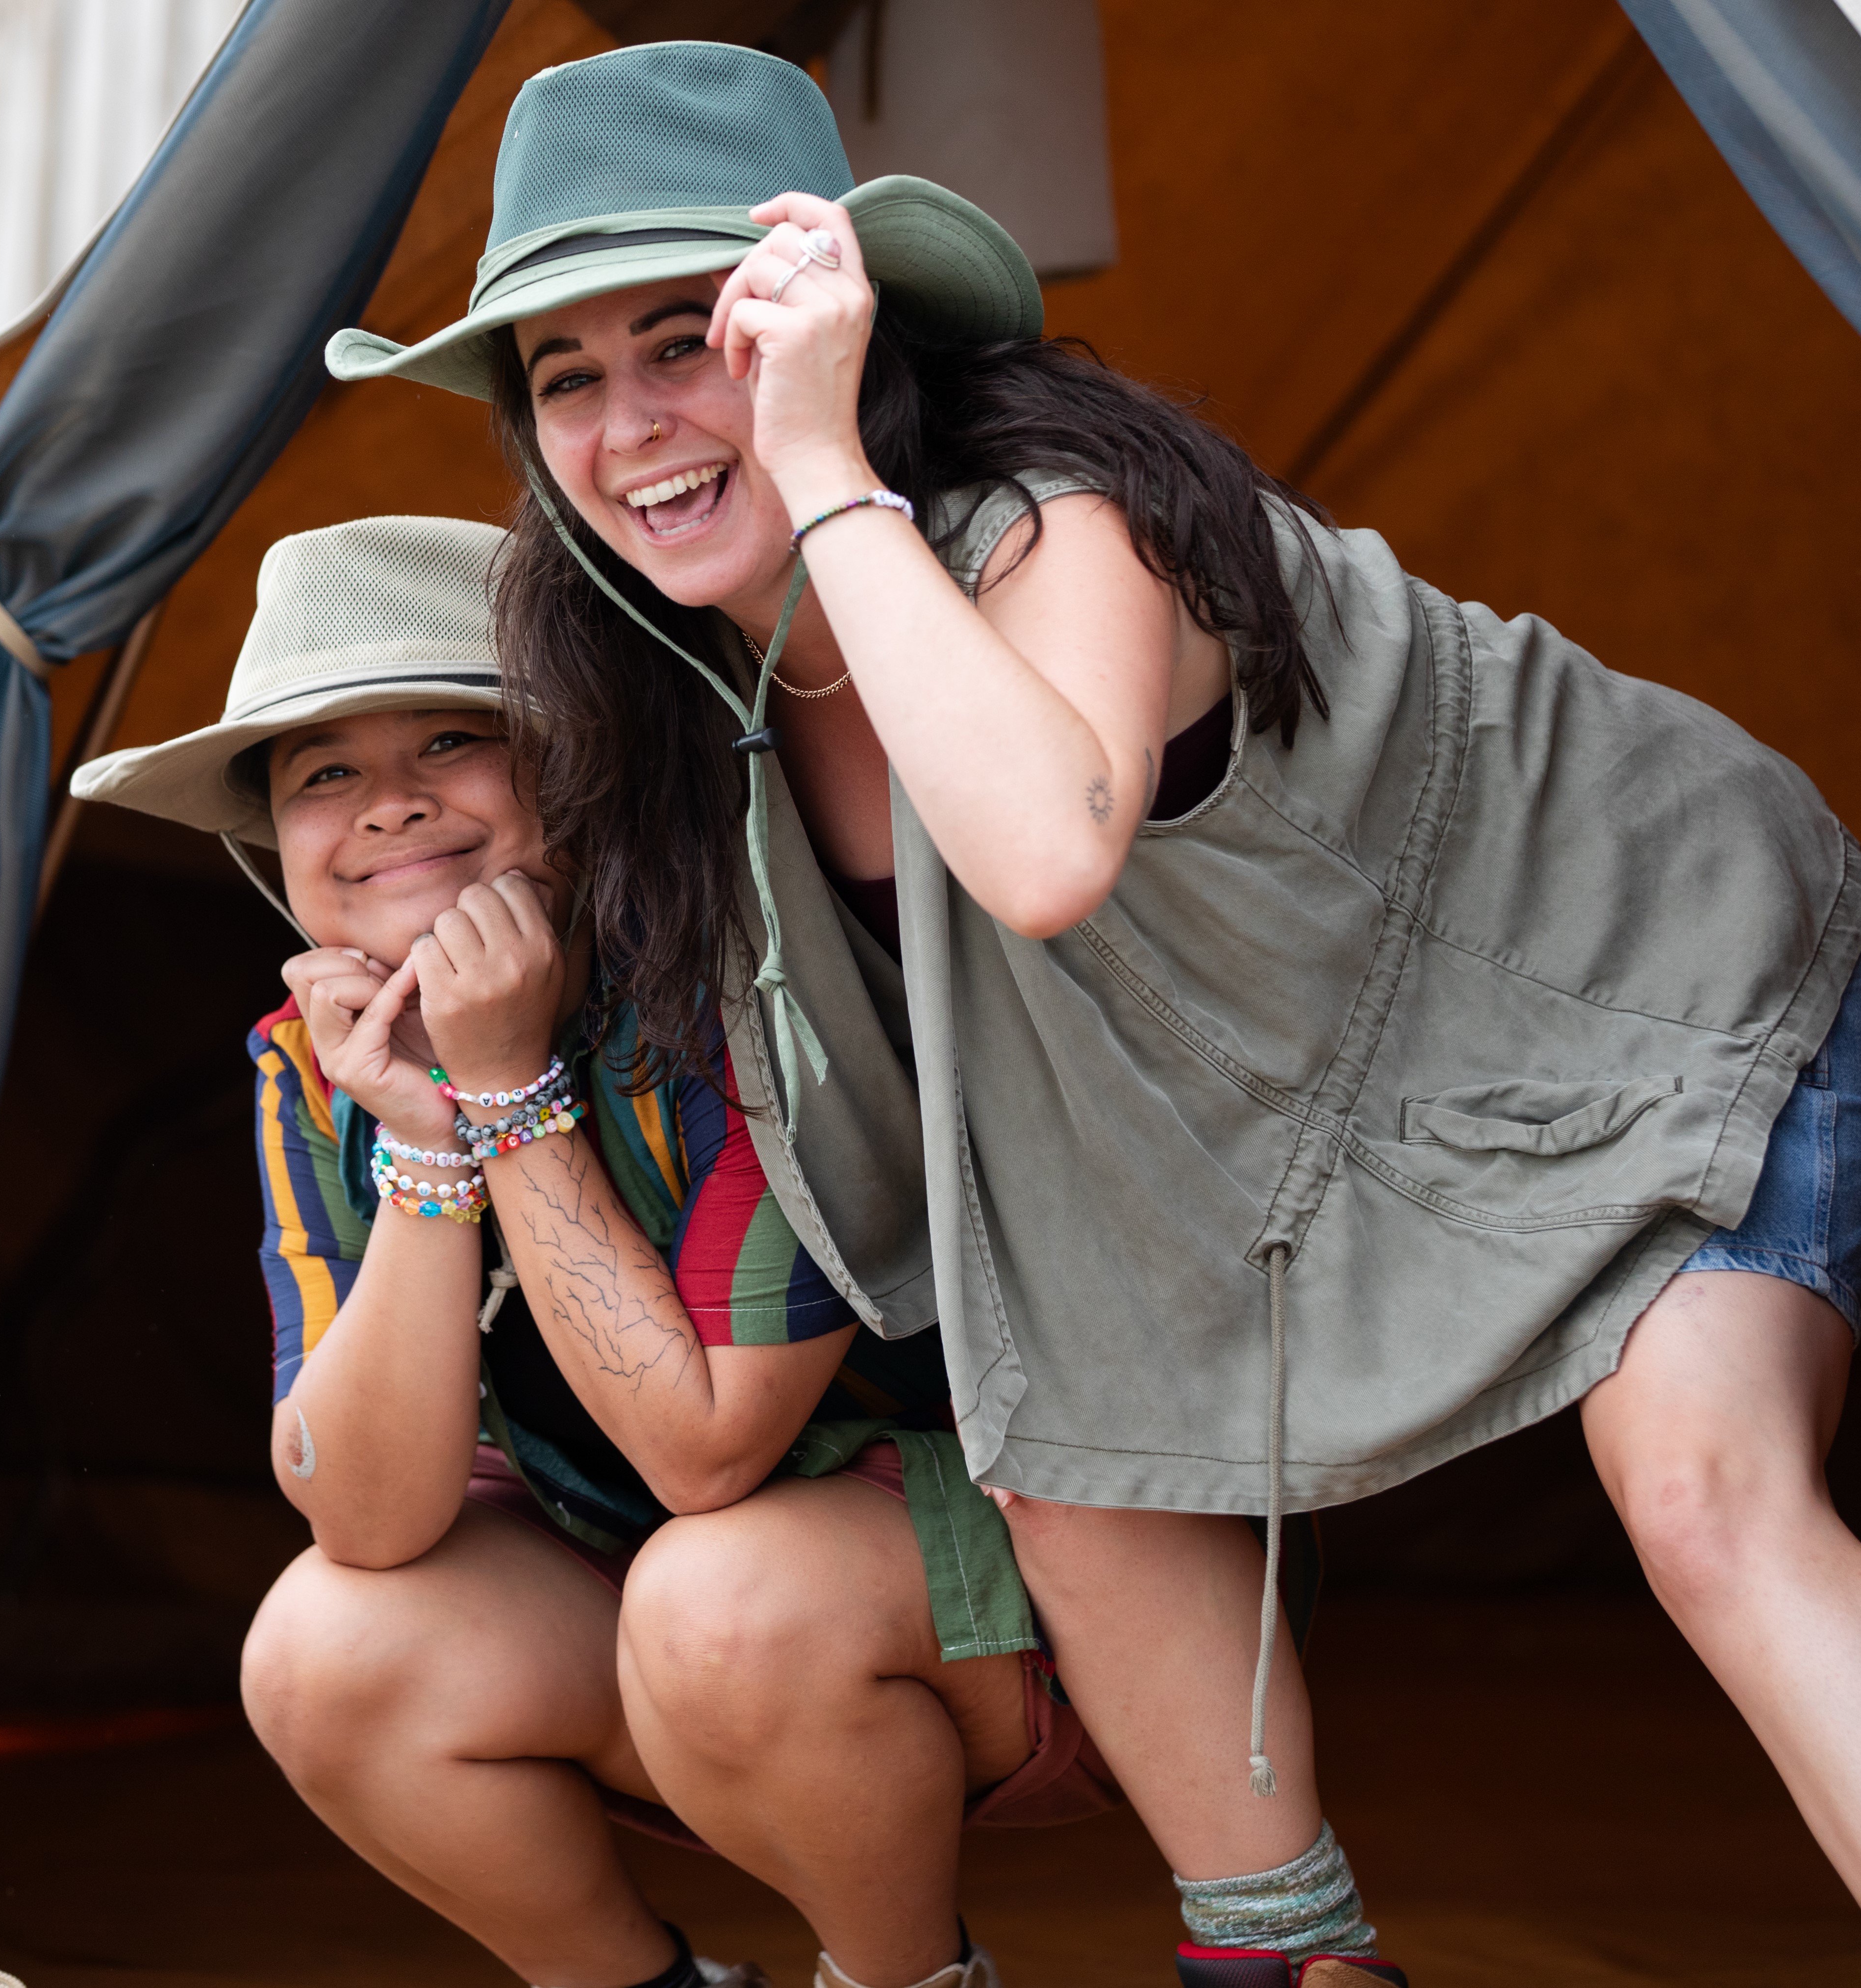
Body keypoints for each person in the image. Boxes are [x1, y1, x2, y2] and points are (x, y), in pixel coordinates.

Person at [324, 40, 1861, 1988]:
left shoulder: (1063, 526)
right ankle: (1294, 1960)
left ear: (837, 328)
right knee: (1056, 1414)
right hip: (1282, 1095)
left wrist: (820, 461)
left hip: (1633, 977)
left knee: (1700, 1491)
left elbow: (1044, 848)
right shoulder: (683, 722)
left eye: (692, 339)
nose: (631, 421)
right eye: (563, 378)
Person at [70, 515, 1139, 1988]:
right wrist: (428, 1137)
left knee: (722, 1596)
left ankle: (903, 1979)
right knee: (324, 1651)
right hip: (656, 1611)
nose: (383, 807)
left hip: (1025, 1615)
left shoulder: (747, 986)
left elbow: (707, 1456)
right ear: (280, 850)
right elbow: (366, 1518)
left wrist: (512, 1089)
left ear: (579, 772)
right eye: (323, 773)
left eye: (452, 742)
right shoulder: (317, 1061)